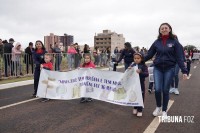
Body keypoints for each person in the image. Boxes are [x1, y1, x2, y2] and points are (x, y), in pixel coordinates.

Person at [144, 23, 187, 118]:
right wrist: (138, 61)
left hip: (169, 69)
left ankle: (164, 110)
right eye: (162, 28)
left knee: (165, 90)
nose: (164, 29)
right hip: (158, 68)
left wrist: (184, 71)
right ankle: (158, 107)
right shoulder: (156, 42)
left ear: (170, 29)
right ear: (160, 31)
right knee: (158, 89)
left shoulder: (175, 42)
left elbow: (179, 57)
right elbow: (149, 55)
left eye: (165, 28)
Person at [129, 52, 149, 117]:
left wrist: (141, 72)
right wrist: (129, 70)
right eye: (135, 58)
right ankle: (135, 107)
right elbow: (129, 74)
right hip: (134, 84)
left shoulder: (144, 66)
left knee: (141, 96)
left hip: (141, 84)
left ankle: (140, 109)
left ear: (141, 59)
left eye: (138, 58)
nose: (136, 59)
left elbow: (147, 74)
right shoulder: (132, 65)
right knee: (134, 95)